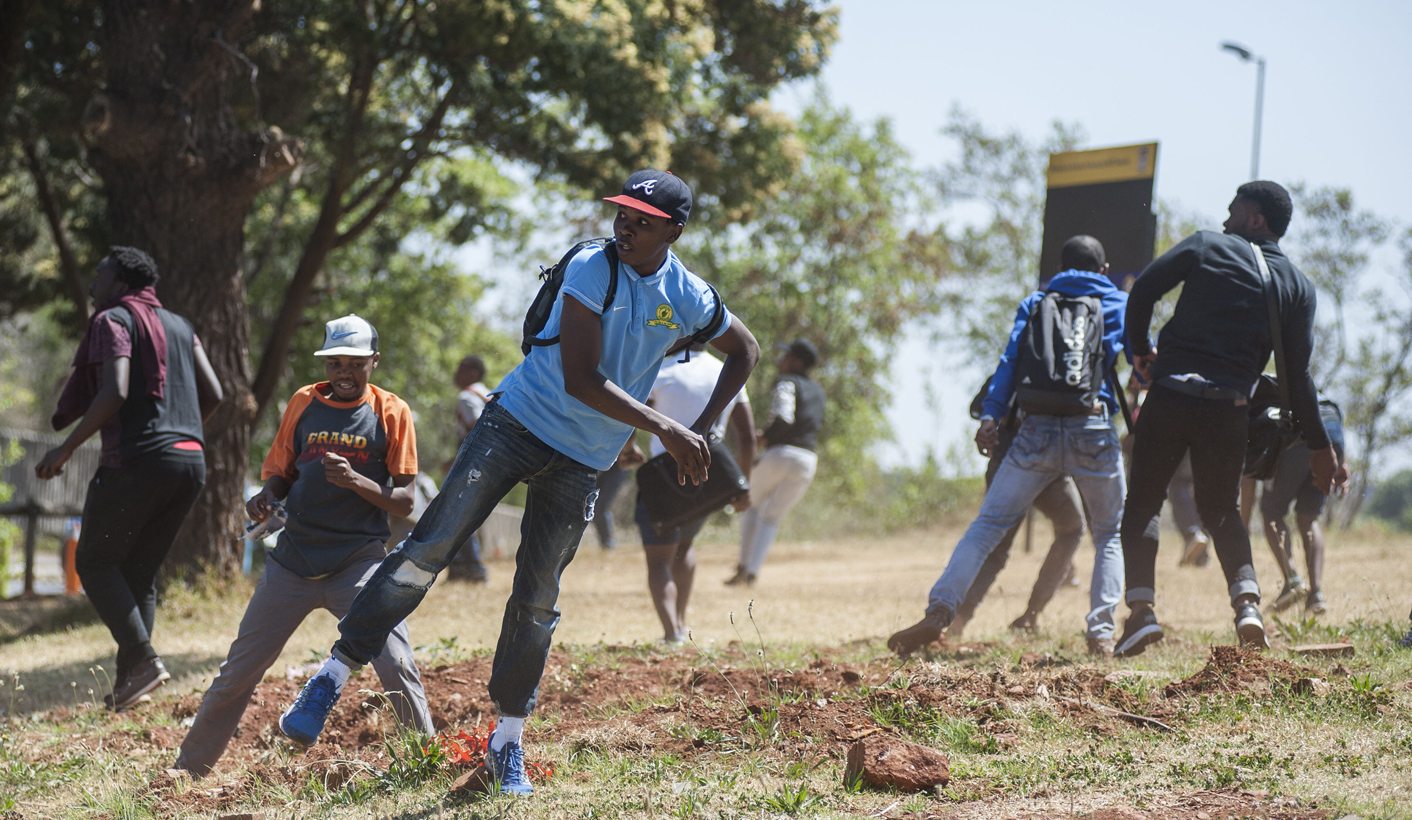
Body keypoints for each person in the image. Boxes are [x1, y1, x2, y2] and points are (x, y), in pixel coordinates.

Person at [278, 169, 759, 796]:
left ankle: (506, 741)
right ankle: (332, 675)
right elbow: (582, 380)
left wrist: (704, 428)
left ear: (673, 229)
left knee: (538, 598)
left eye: (642, 221)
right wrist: (670, 429)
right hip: (517, 425)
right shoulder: (594, 266)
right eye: (621, 214)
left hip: (584, 459)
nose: (626, 227)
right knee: (429, 549)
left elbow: (745, 349)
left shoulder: (686, 291)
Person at [175, 314, 433, 776]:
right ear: (327, 364)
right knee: (238, 672)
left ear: (374, 362)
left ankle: (426, 760)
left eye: (355, 363)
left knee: (396, 663)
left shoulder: (392, 411)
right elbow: (281, 474)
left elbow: (405, 501)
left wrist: (355, 480)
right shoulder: (303, 403)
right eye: (336, 363)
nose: (345, 372)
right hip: (292, 563)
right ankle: (188, 769)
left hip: (359, 562)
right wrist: (266, 498)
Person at [1112, 181, 1348, 658]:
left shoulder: (1205, 244)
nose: (1225, 218)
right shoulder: (1299, 285)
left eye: (1233, 210)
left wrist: (1139, 352)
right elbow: (1296, 376)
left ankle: (1140, 615)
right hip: (1230, 409)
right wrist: (1323, 448)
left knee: (1142, 505)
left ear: (1256, 219)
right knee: (1221, 510)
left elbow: (1143, 294)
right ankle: (1247, 607)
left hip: (1171, 396)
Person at [889, 235, 1127, 658]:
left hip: (1033, 433)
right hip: (1092, 427)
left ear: (1060, 266)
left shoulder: (1036, 303)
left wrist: (991, 416)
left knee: (986, 528)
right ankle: (1101, 633)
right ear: (1104, 270)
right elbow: (1136, 359)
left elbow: (1009, 363)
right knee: (1108, 533)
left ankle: (940, 611)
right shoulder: (1116, 304)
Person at [35, 246, 223, 710]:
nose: (94, 284)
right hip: (191, 462)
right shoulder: (181, 325)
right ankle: (130, 685)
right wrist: (183, 432)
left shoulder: (113, 320)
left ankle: (141, 660)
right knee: (139, 574)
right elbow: (215, 393)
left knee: (96, 562)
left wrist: (65, 449)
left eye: (99, 275)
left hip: (138, 461)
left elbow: (115, 389)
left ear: (119, 282)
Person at [946, 378, 1088, 639]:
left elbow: (978, 408)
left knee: (997, 548)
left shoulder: (1006, 373)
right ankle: (1030, 615)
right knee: (1071, 528)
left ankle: (959, 620)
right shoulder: (1066, 371)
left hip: (1009, 464)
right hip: (1046, 464)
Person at [636, 345, 755, 643]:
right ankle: (681, 622)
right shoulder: (727, 371)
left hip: (665, 476)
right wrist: (743, 484)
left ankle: (671, 631)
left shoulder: (661, 371)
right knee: (685, 546)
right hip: (709, 476)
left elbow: (632, 415)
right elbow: (748, 437)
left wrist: (627, 450)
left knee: (659, 560)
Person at [725, 338, 824, 586]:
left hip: (781, 453)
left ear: (797, 362)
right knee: (772, 517)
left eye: (786, 356)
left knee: (750, 504)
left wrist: (765, 436)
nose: (782, 361)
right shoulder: (818, 392)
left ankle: (743, 568)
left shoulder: (787, 382)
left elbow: (783, 416)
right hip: (807, 460)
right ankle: (753, 572)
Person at [1260, 394, 1346, 615]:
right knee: (1309, 518)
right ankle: (1316, 593)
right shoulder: (1324, 399)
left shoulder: (1267, 403)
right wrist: (1341, 462)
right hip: (1333, 441)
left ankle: (1292, 581)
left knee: (1271, 513)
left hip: (1297, 442)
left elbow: (1249, 478)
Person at [448, 355, 491, 581]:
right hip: (491, 462)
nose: (457, 373)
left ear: (474, 372)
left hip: (473, 464)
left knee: (458, 514)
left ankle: (471, 568)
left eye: (461, 368)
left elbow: (477, 427)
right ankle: (463, 567)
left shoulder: (467, 396)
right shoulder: (489, 393)